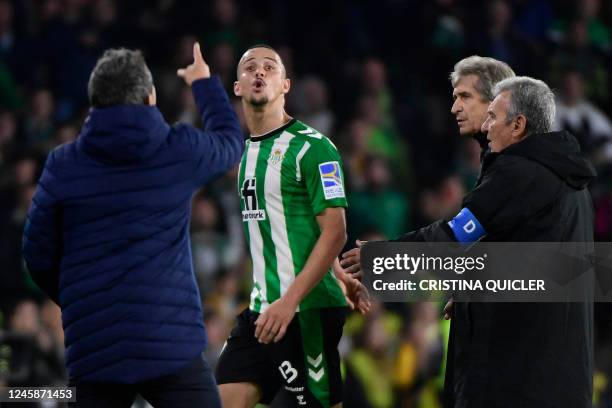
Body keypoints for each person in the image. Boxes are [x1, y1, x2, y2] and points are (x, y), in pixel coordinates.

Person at [342, 77, 596, 407]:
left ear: (519, 125)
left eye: (493, 116)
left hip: (518, 378)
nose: (486, 128)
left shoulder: (519, 173)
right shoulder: (574, 186)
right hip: (563, 378)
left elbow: (452, 237)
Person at [22, 43, 244, 407]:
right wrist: (203, 83)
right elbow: (231, 142)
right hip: (169, 347)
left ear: (94, 103)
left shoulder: (63, 165)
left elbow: (36, 253)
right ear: (150, 97)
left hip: (95, 349)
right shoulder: (178, 150)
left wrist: (82, 299)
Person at [215, 44, 369, 408]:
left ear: (286, 85)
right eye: (250, 67)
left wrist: (291, 301)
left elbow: (335, 231)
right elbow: (299, 232)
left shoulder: (314, 148)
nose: (259, 72)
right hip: (262, 311)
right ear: (237, 87)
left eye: (270, 68)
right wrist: (335, 272)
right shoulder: (246, 153)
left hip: (306, 311)